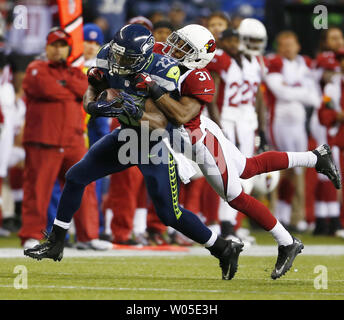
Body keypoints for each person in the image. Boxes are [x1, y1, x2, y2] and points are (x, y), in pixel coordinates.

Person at [24, 24, 244, 281]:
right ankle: (56, 242)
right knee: (75, 177)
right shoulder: (107, 54)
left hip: (152, 143)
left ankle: (223, 248)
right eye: (117, 54)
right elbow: (91, 91)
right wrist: (95, 107)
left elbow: (164, 122)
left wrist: (132, 110)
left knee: (169, 214)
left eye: (126, 58)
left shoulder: (164, 70)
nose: (118, 61)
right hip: (125, 136)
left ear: (144, 57)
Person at [129, 24, 341, 279]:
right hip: (202, 128)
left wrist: (152, 88)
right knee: (247, 167)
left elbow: (179, 114)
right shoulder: (168, 55)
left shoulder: (198, 76)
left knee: (235, 196)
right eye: (177, 41)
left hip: (196, 138)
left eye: (183, 46)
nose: (174, 47)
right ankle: (314, 157)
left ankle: (286, 241)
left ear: (197, 56)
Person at [18, 27, 112, 250]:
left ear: (69, 48)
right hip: (44, 140)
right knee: (37, 190)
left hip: (73, 139)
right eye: (54, 45)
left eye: (62, 45)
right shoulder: (36, 68)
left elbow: (85, 91)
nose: (58, 49)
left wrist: (64, 85)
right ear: (47, 47)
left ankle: (88, 236)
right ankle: (31, 234)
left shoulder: (74, 71)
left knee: (84, 187)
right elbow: (46, 89)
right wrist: (68, 87)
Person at [265, 31, 321, 231]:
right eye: (284, 45)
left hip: (299, 122)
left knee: (300, 168)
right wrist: (301, 92)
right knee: (281, 166)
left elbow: (315, 97)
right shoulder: (274, 63)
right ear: (278, 47)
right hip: (279, 121)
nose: (288, 48)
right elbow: (281, 92)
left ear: (298, 45)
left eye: (291, 44)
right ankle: (275, 214)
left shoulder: (305, 63)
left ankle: (296, 216)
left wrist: (295, 91)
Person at [318, 48, 344, 237]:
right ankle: (337, 222)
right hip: (340, 140)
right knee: (338, 181)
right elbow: (324, 116)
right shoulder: (332, 87)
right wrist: (337, 114)